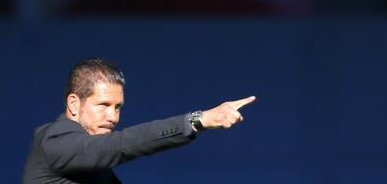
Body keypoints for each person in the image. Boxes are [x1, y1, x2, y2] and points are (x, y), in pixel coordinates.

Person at [23, 58, 255, 183]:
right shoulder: (54, 141)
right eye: (103, 105)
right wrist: (198, 120)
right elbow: (121, 144)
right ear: (74, 104)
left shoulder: (95, 165)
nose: (112, 117)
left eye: (118, 107)